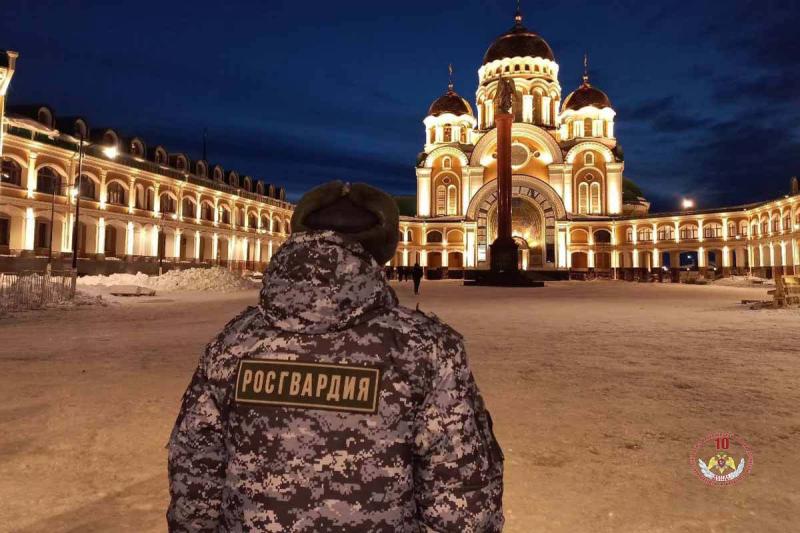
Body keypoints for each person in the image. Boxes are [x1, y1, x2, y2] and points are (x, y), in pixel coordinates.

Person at [167, 181, 504, 532]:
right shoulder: (426, 349)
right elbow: (462, 494)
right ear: (382, 249)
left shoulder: (233, 344)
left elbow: (194, 479)